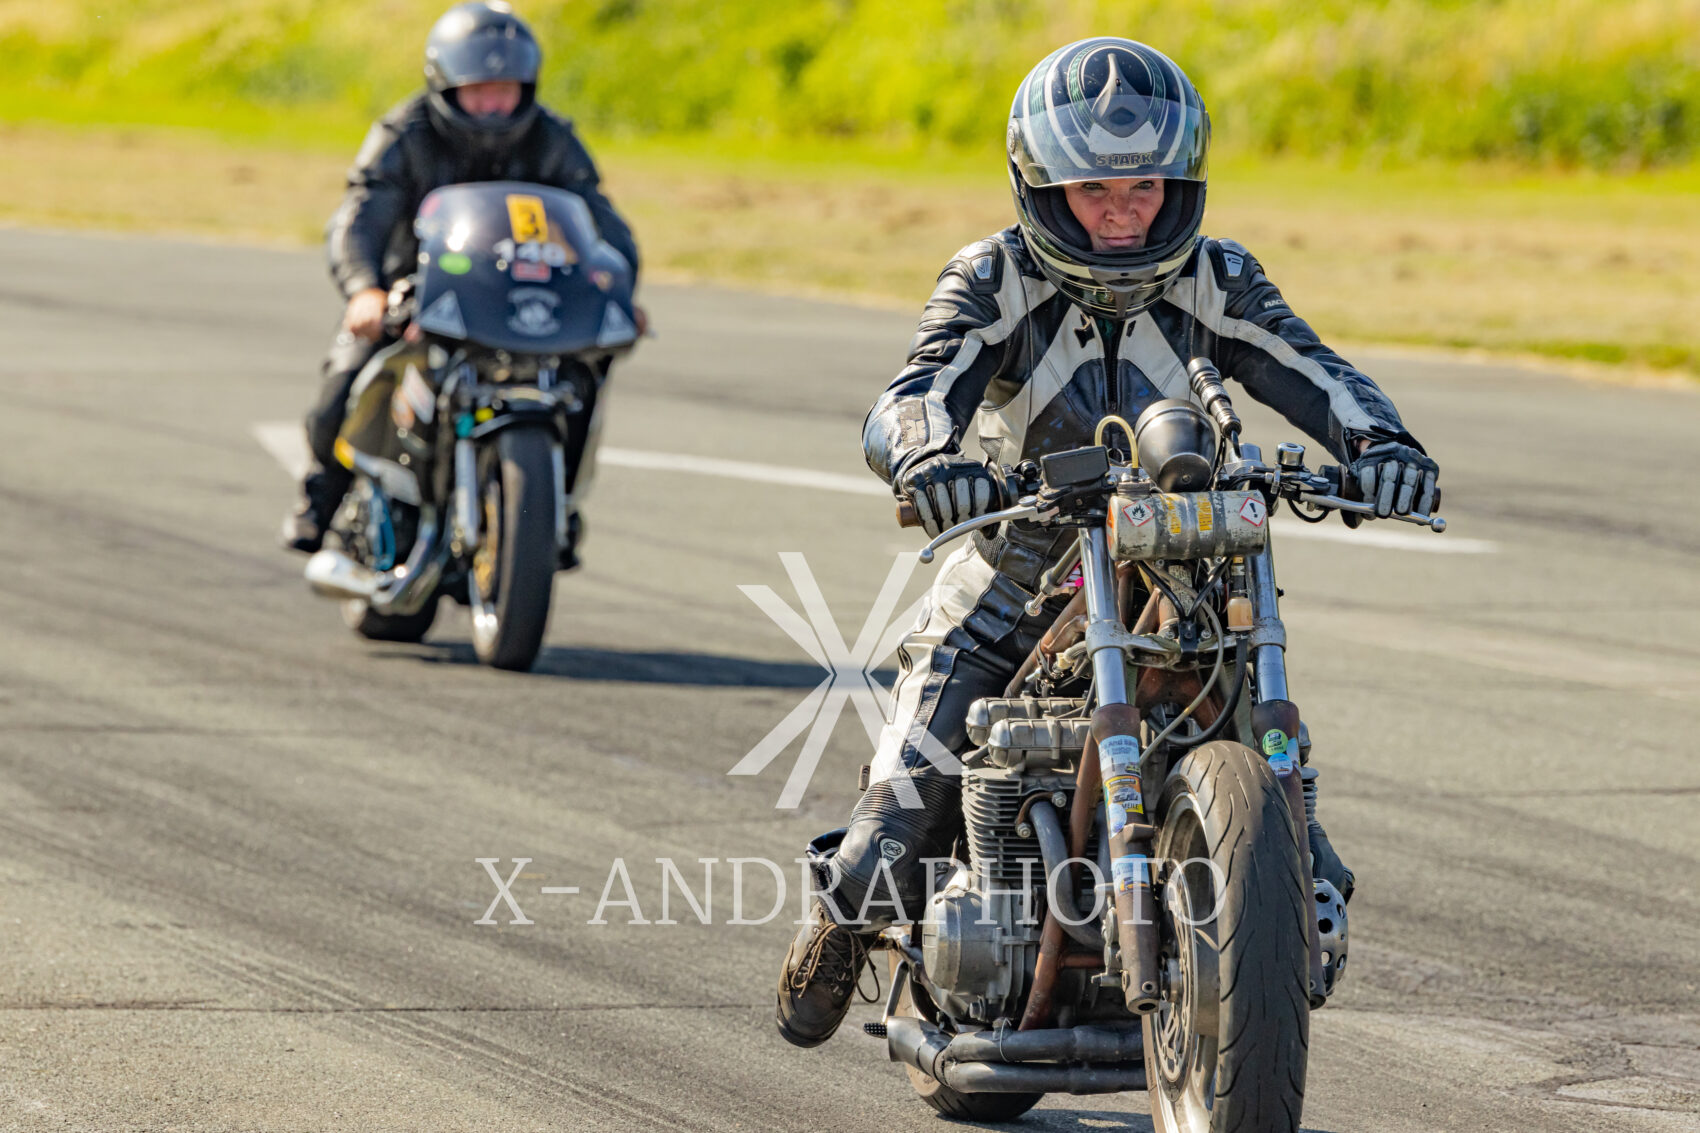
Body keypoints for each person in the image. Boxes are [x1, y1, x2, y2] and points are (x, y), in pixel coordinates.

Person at [775, 37, 1440, 1048]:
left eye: (1143, 185)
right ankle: (843, 915)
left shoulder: (1218, 278)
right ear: (1043, 188)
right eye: (1094, 189)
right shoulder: (993, 276)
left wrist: (1382, 446)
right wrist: (927, 460)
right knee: (888, 839)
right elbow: (909, 396)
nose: (1123, 211)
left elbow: (1317, 374)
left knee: (1291, 815)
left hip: (1184, 584)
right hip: (1011, 586)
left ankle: (1260, 905)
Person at [281, 0, 641, 555]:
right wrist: (365, 290)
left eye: (506, 90)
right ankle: (319, 499)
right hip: (415, 291)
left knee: (584, 373)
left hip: (522, 292)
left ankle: (556, 508)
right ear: (446, 86)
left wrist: (617, 288)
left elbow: (601, 223)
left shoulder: (551, 138)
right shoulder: (405, 133)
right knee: (345, 378)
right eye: (479, 91)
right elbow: (361, 215)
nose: (494, 105)